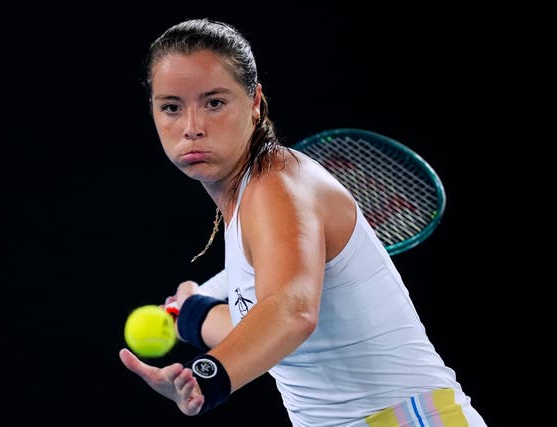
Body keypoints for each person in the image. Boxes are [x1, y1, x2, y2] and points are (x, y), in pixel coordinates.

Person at [118, 18, 487, 426]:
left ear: (255, 102)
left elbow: (291, 312)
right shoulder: (247, 200)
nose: (191, 128)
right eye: (171, 107)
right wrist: (193, 314)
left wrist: (208, 376)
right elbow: (267, 331)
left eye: (214, 103)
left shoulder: (276, 183)